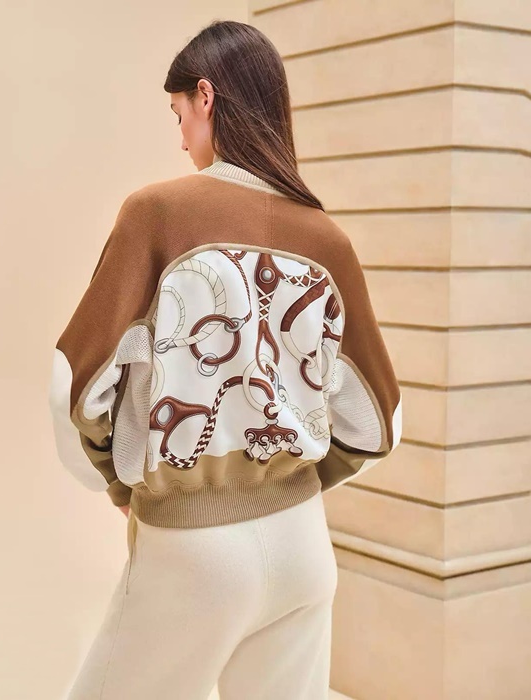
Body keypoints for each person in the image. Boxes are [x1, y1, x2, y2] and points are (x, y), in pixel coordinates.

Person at [48, 19, 402, 700]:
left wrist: (122, 484)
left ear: (206, 96)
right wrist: (287, 474)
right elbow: (379, 424)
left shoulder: (156, 213)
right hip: (304, 549)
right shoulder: (327, 240)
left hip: (194, 552)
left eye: (178, 113)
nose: (180, 136)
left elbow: (73, 386)